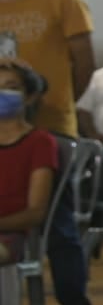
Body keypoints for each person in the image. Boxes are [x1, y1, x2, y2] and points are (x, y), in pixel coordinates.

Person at [0, 0, 94, 305]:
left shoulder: (65, 2)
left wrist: (50, 106)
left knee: (58, 226)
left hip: (52, 130)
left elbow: (84, 64)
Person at [0, 59, 55, 267]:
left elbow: (35, 213)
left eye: (11, 87)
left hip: (11, 235)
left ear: (29, 97)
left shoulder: (39, 142)